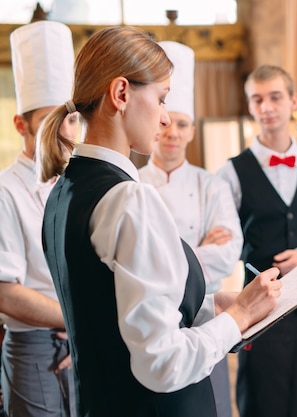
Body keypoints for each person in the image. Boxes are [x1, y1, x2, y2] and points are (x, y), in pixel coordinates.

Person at [36, 26, 281, 417]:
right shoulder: (130, 199)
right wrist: (241, 317)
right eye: (162, 99)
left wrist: (212, 306)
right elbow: (162, 363)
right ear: (120, 94)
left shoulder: (63, 190)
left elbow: (111, 310)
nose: (166, 119)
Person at [218, 64, 297, 417]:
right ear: (250, 107)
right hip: (257, 310)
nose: (267, 107)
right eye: (257, 99)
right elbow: (225, 242)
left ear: (292, 102)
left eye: (275, 97)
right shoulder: (230, 171)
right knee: (264, 400)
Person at [138, 41, 242, 417]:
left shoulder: (211, 185)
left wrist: (164, 258)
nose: (172, 132)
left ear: (192, 131)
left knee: (211, 406)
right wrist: (197, 248)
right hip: (152, 322)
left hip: (206, 316)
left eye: (182, 124)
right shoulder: (131, 184)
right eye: (167, 121)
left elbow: (228, 250)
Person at [0, 20, 78, 417]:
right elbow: (5, 292)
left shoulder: (81, 184)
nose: (64, 131)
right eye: (50, 120)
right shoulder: (5, 191)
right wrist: (79, 319)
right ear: (20, 125)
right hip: (33, 347)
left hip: (87, 342)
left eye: (69, 118)